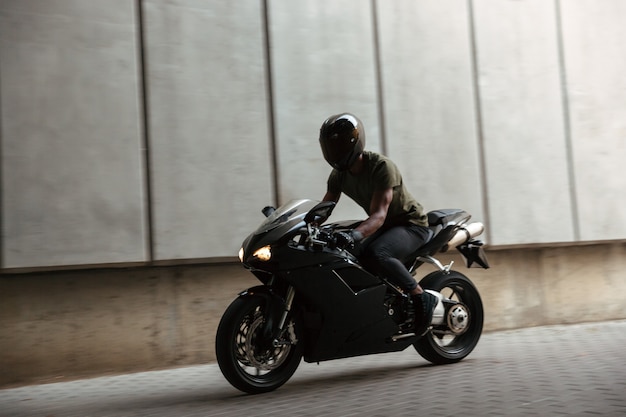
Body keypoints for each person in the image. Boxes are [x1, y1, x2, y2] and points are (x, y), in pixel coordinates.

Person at [318, 112, 438, 336]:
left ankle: (420, 296)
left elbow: (379, 215)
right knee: (346, 254)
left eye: (341, 144)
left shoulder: (381, 167)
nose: (335, 151)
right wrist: (297, 224)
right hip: (384, 226)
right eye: (331, 146)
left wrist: (354, 234)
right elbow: (323, 209)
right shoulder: (338, 175)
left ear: (355, 143)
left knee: (378, 253)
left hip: (411, 225)